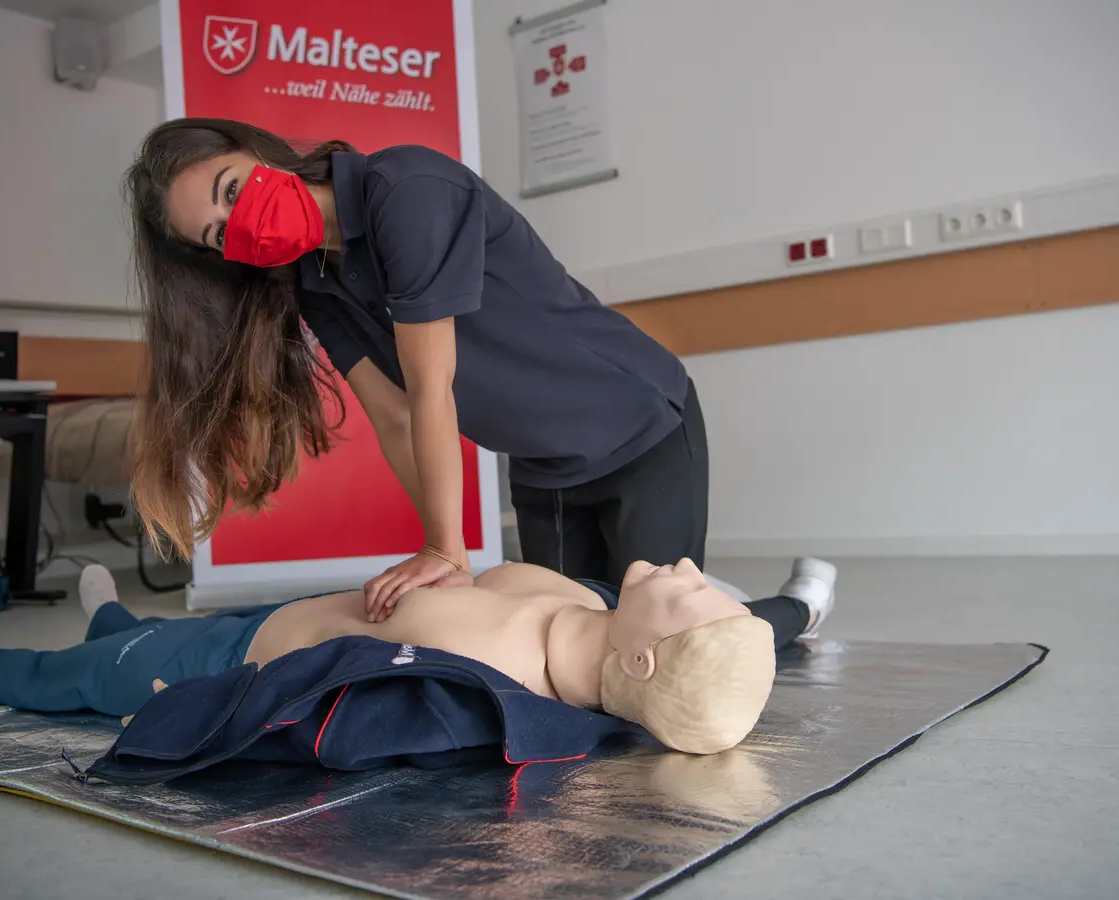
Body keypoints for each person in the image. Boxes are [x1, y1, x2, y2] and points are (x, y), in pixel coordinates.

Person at [123, 118, 709, 619]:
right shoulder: (316, 283)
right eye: (220, 233)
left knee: (664, 642)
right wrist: (441, 551)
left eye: (231, 188)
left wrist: (447, 551)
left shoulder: (408, 189)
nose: (242, 221)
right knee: (570, 644)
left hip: (638, 427)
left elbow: (431, 386)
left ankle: (798, 606)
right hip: (544, 468)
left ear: (258, 152)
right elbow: (395, 416)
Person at [0, 558, 839, 754]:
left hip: (233, 654)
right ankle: (109, 609)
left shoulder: (493, 662)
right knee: (125, 637)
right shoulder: (591, 611)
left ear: (640, 664)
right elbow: (484, 571)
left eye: (688, 592)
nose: (685, 568)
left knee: (75, 680)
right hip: (287, 612)